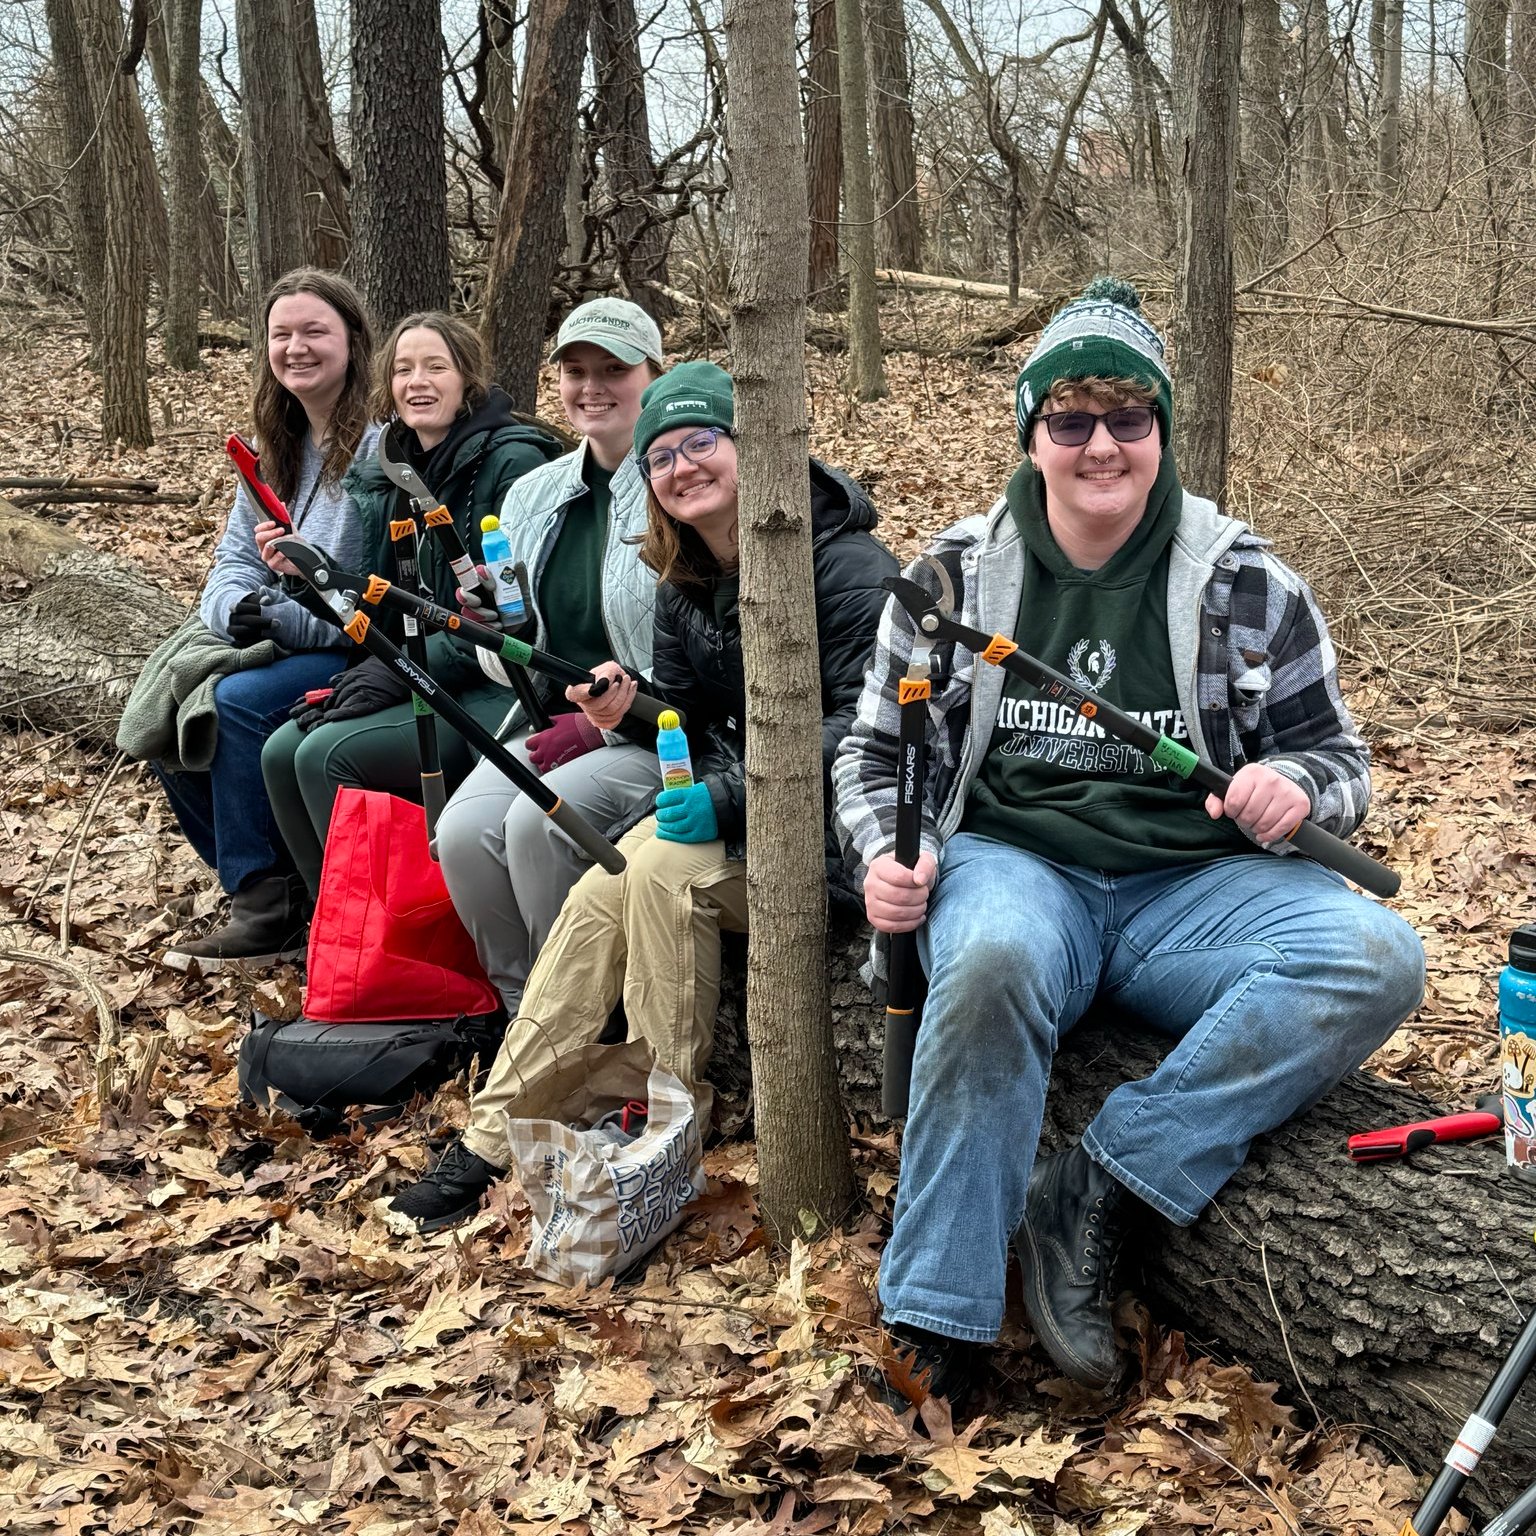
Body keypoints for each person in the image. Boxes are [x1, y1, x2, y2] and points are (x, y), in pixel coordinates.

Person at [831, 278, 1426, 1403]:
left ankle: (1103, 1181)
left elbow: (1342, 769)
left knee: (1382, 957)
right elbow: (873, 758)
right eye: (1071, 422)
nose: (1101, 447)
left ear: (1159, 431)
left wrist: (1292, 792)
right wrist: (884, 853)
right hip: (1021, 868)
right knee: (995, 958)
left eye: (1128, 421)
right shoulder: (951, 579)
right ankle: (939, 1320)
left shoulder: (1251, 585)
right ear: (1033, 434)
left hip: (1190, 892)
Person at [388, 361, 899, 1232]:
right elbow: (690, 717)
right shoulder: (687, 575)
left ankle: (667, 1132)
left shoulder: (847, 567)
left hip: (845, 838)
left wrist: (730, 799)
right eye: (662, 457)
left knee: (658, 873)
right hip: (747, 823)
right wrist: (630, 710)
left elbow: (866, 731)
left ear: (755, 449)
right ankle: (488, 1142)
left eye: (703, 442)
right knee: (600, 891)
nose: (683, 467)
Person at [259, 311, 564, 898]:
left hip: (500, 684)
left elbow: (504, 617)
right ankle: (332, 935)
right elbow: (379, 599)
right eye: (402, 370)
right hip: (424, 669)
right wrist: (307, 577)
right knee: (278, 752)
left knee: (323, 756)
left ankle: (391, 937)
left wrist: (403, 670)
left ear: (467, 380)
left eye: (435, 367)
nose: (416, 382)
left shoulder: (510, 463)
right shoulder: (398, 467)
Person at [426, 297, 670, 1023]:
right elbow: (514, 659)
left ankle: (577, 1023)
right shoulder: (532, 495)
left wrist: (604, 727)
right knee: (463, 836)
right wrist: (492, 633)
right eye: (574, 371)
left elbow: (692, 658)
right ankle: (521, 1014)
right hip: (547, 723)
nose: (592, 387)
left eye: (614, 370)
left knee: (542, 827)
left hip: (657, 732)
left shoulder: (678, 485)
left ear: (655, 377)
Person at [150, 268, 381, 971]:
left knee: (237, 703)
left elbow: (360, 602)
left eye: (315, 331)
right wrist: (238, 609)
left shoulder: (378, 445)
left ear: (352, 340)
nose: (297, 348)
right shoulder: (276, 447)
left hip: (357, 650)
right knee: (168, 711)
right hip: (280, 633)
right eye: (282, 334)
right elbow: (229, 563)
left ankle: (264, 908)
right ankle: (265, 881)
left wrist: (281, 619)